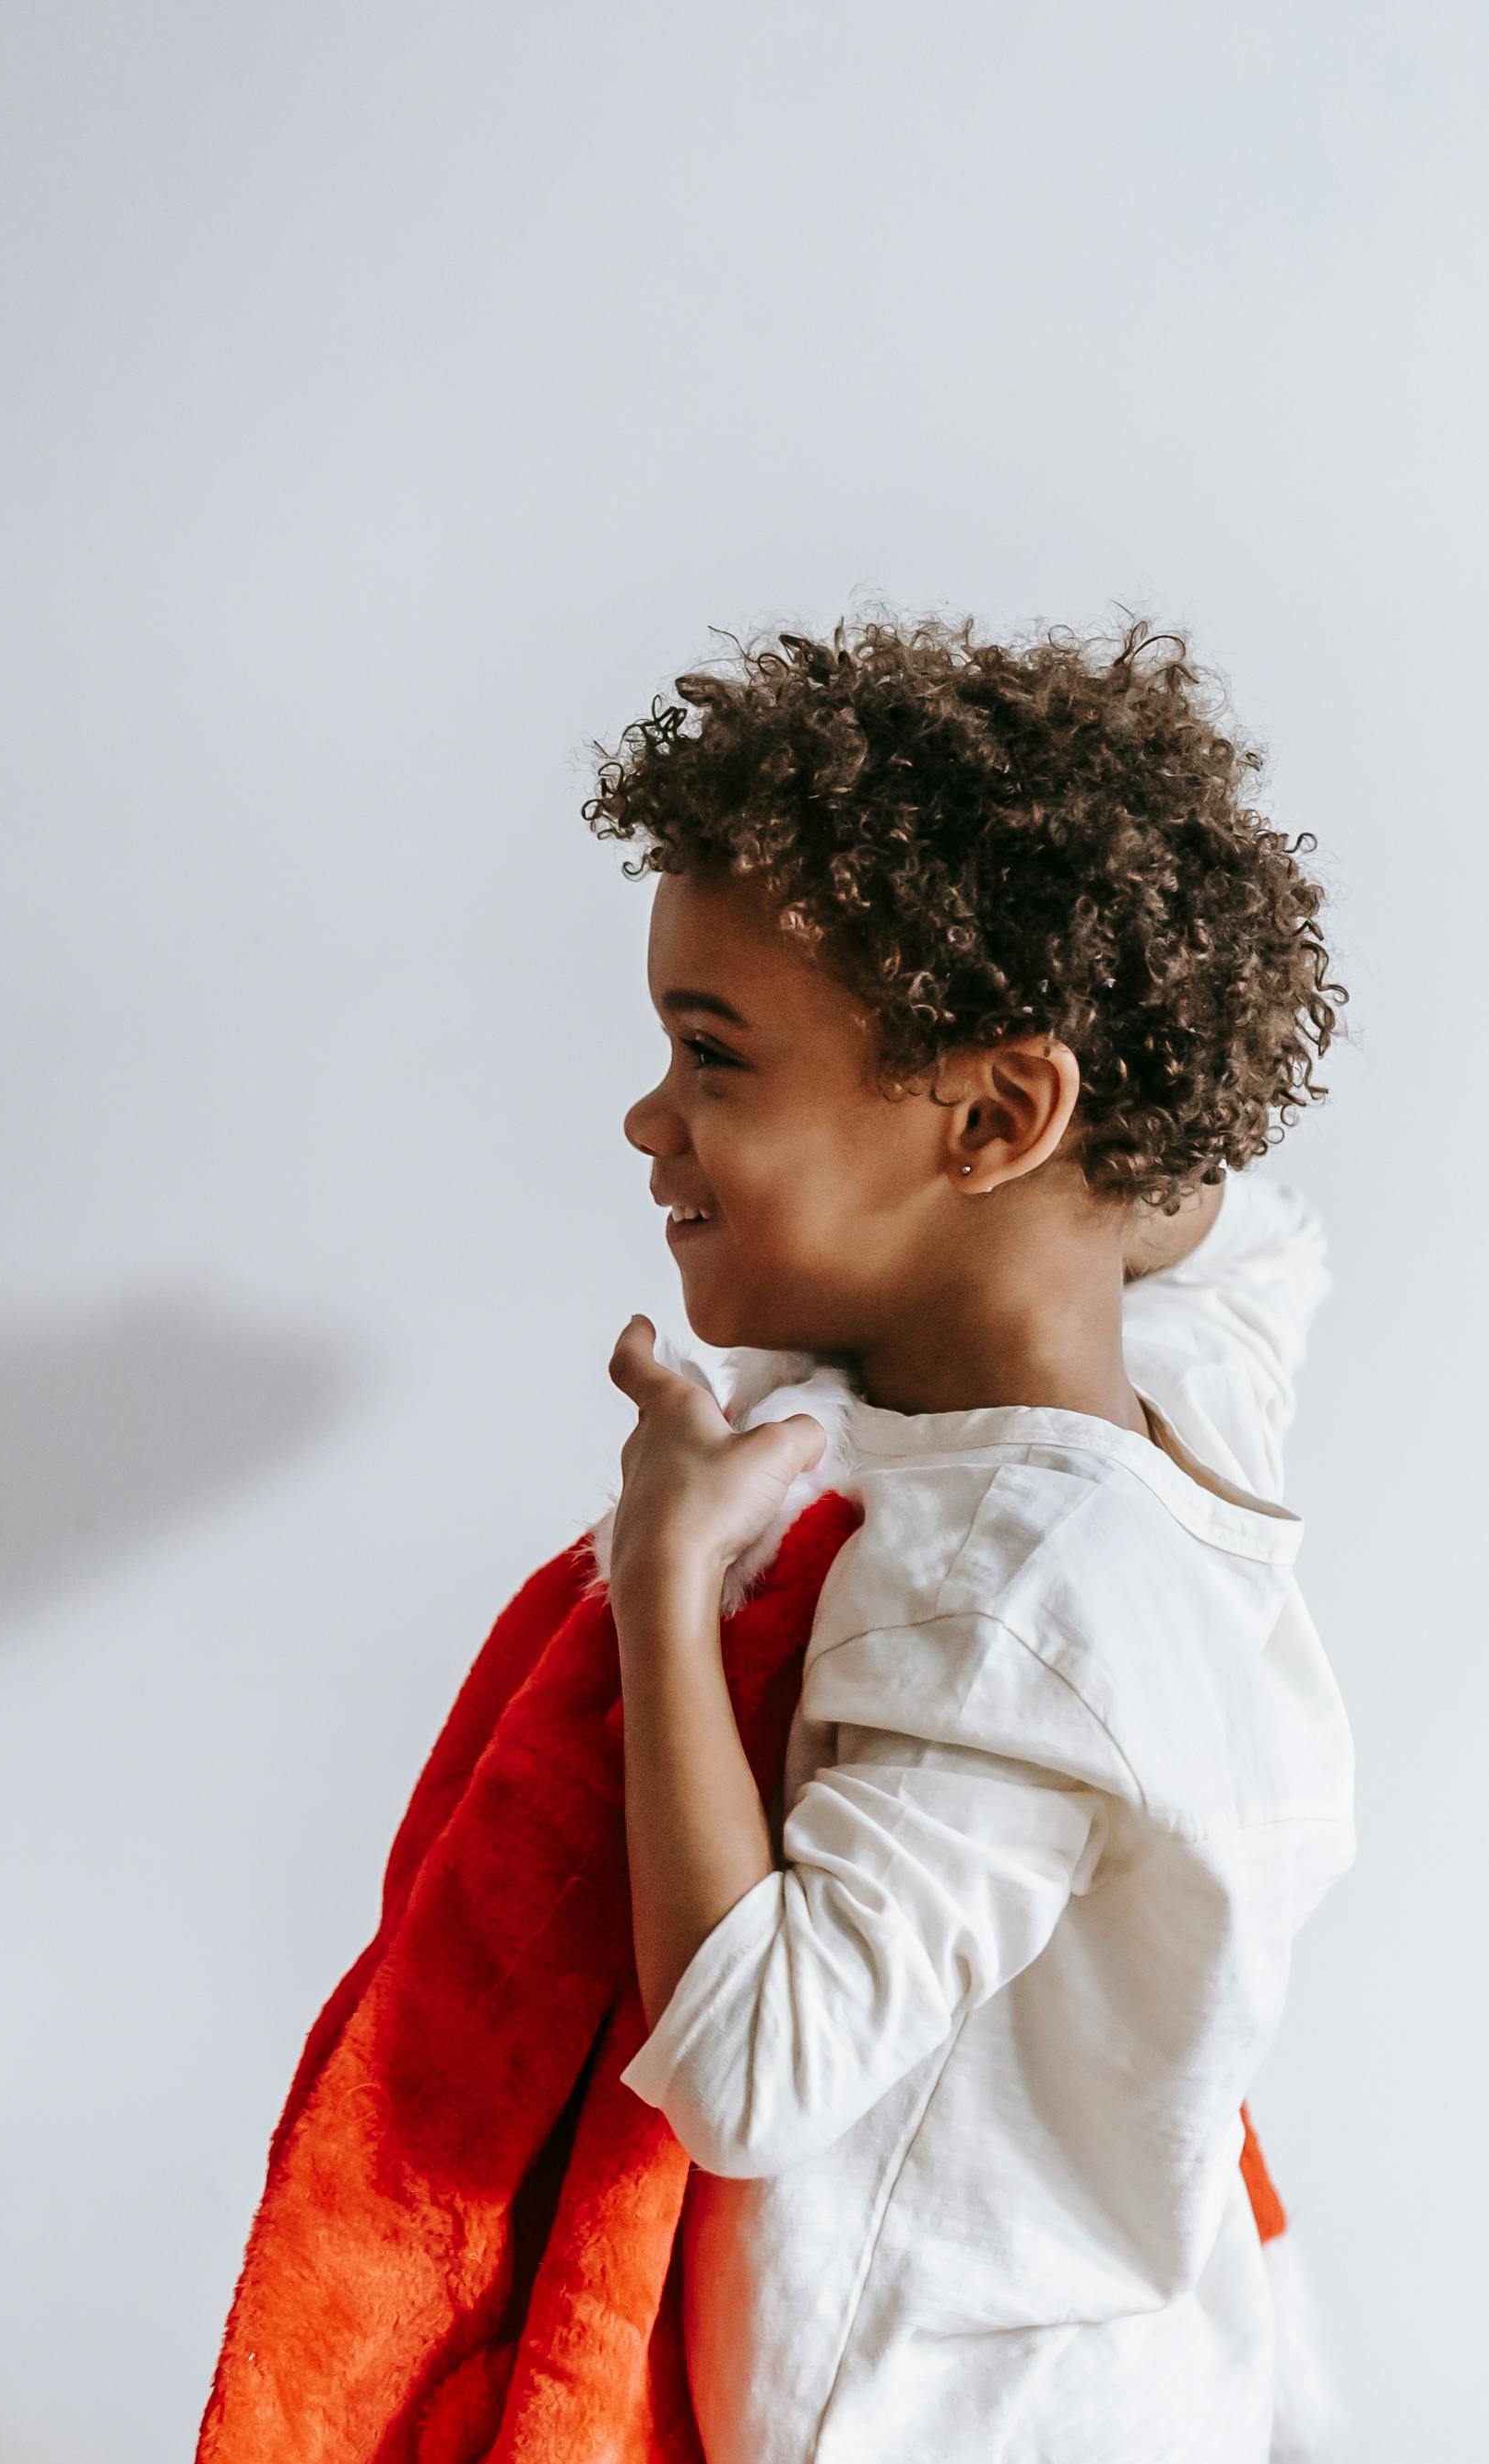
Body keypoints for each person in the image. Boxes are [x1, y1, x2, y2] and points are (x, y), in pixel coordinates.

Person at [590, 617, 1347, 2458]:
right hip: (1153, 2354)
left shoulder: (999, 1590)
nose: (644, 1116)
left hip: (934, 2411)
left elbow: (751, 2068)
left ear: (1000, 1108)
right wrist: (1034, 1199)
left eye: (712, 1054)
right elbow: (1239, 1230)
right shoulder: (1175, 1393)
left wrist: (663, 1583)